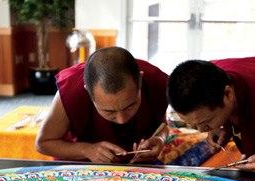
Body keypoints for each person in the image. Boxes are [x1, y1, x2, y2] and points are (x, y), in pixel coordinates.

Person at [36, 47, 169, 164]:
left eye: (130, 106)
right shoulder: (71, 91)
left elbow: (163, 126)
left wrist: (160, 139)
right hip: (84, 165)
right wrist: (86, 150)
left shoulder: (156, 81)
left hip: (139, 165)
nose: (122, 120)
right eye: (109, 111)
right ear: (87, 91)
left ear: (140, 80)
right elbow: (43, 143)